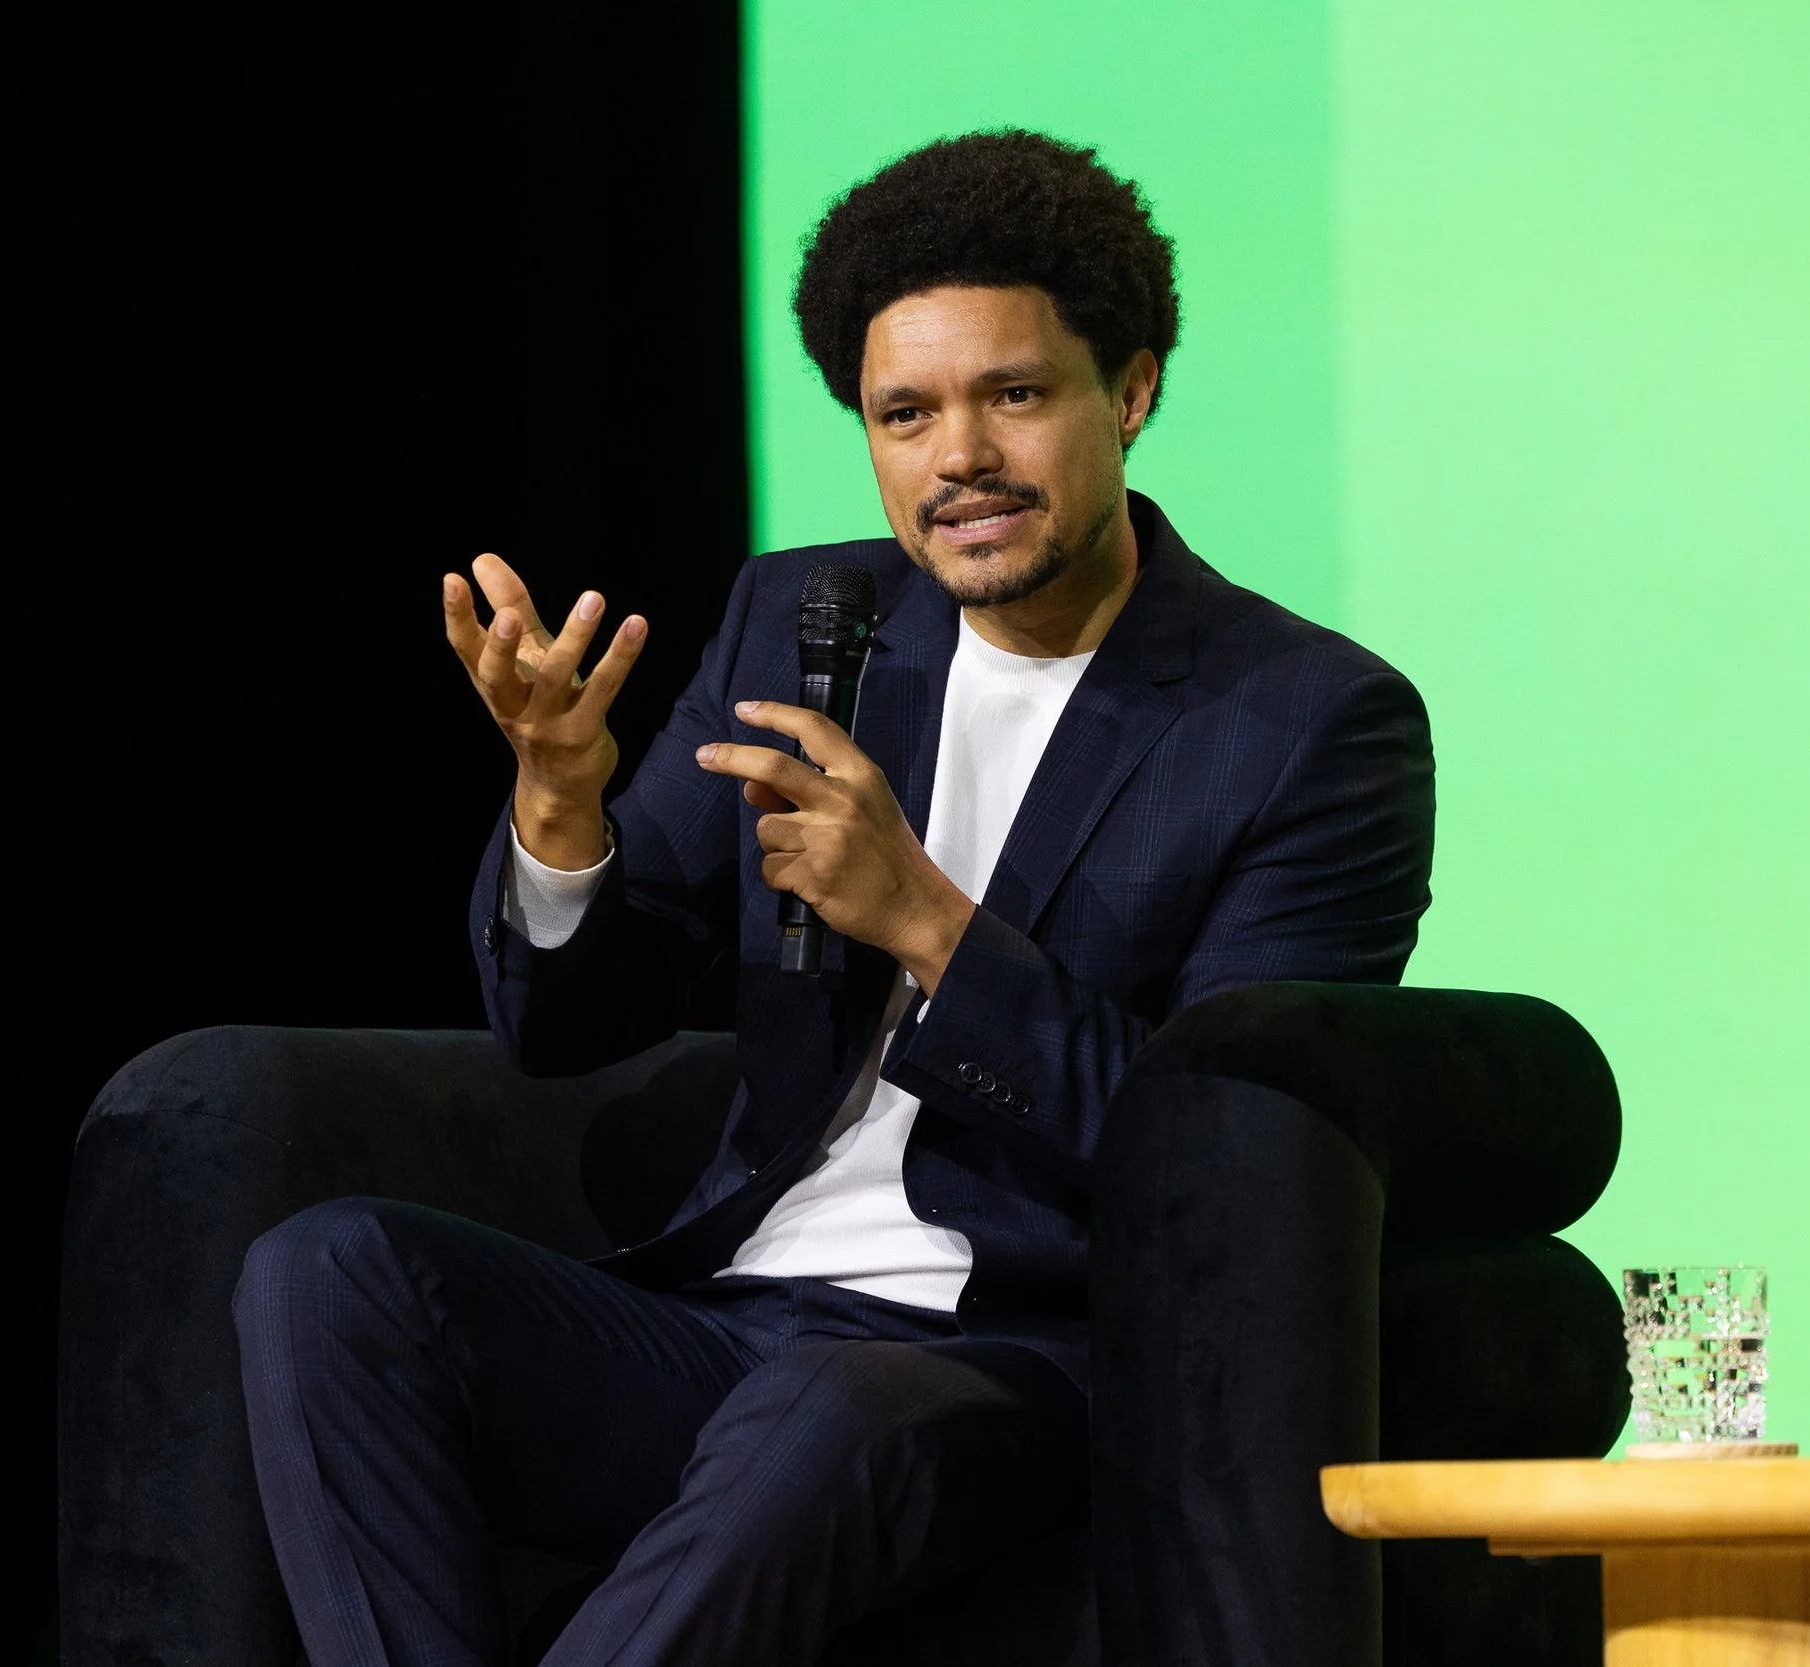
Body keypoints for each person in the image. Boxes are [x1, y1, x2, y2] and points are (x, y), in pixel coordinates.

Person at [232, 128, 1434, 1666]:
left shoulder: (1306, 721)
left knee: (831, 1402)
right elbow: (569, 1019)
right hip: (734, 1323)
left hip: (1024, 1356)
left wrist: (925, 919)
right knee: (333, 1272)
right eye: (906, 414)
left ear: (1130, 392)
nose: (962, 461)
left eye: (1017, 394)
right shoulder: (805, 619)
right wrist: (560, 800)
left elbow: (1228, 1172)